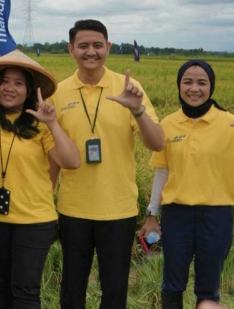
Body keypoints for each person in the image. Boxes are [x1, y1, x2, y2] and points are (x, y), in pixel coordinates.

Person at [48, 19, 165, 308]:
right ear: (71, 49)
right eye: (84, 45)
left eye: (98, 45)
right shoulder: (58, 92)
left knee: (114, 290)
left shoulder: (128, 88)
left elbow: (157, 143)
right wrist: (46, 202)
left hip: (118, 208)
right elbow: (51, 154)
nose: (91, 51)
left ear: (108, 47)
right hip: (73, 208)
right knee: (72, 288)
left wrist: (137, 110)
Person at [138, 60, 234, 309]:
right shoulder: (168, 123)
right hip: (177, 215)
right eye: (187, 82)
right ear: (179, 86)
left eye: (201, 83)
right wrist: (152, 214)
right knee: (172, 283)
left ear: (211, 87)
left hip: (216, 216)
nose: (194, 88)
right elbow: (162, 172)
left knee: (208, 287)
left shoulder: (230, 123)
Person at [0, 50, 80, 308]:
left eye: (18, 83)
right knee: (3, 285)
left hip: (35, 221)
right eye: (4, 81)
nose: (9, 88)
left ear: (29, 90)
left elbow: (71, 161)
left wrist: (52, 122)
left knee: (26, 290)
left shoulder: (42, 124)